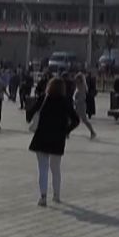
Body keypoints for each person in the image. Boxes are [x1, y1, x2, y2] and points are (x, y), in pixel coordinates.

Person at [27, 77, 81, 206]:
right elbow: (76, 120)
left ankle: (43, 196)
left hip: (42, 137)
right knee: (56, 168)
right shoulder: (66, 101)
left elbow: (30, 113)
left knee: (43, 168)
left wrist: (33, 119)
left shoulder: (43, 98)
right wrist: (66, 130)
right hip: (58, 138)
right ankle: (57, 195)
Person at [72, 74, 96, 139]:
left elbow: (81, 97)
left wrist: (75, 101)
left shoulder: (82, 87)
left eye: (77, 79)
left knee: (84, 119)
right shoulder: (78, 86)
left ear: (80, 79)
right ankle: (67, 132)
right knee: (72, 118)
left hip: (81, 105)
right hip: (77, 105)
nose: (76, 80)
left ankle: (92, 132)